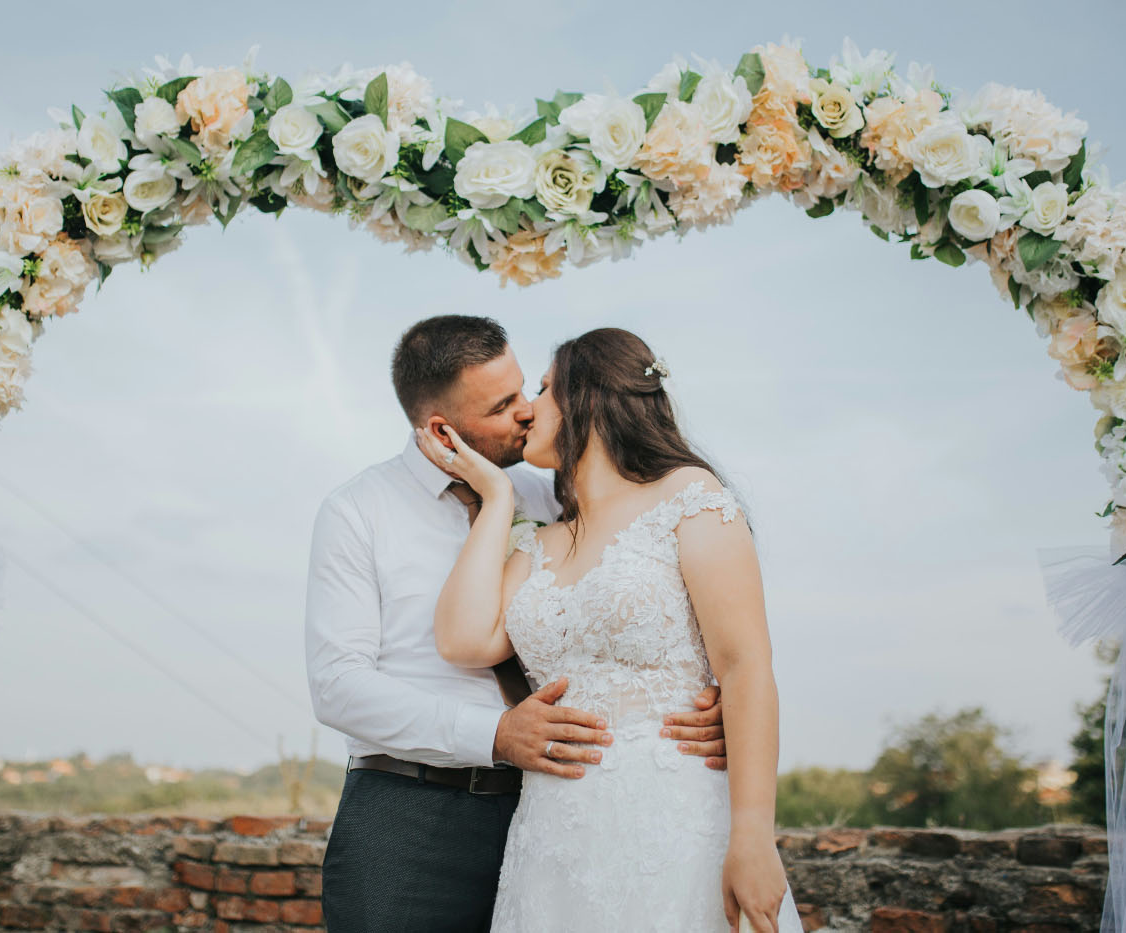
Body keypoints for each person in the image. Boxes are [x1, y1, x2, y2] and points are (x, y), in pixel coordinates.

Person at [305, 315, 731, 932]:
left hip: (561, 810)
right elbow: (337, 686)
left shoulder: (554, 494)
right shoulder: (356, 513)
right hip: (414, 817)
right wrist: (496, 734)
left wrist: (698, 697)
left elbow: (634, 590)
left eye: (525, 389)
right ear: (442, 429)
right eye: (504, 405)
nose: (528, 411)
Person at [419, 326, 800, 932]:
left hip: (672, 823)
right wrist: (495, 497)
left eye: (543, 389)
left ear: (586, 398)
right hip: (553, 840)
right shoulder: (541, 541)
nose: (527, 409)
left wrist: (754, 836)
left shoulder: (689, 498)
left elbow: (746, 665)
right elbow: (463, 640)